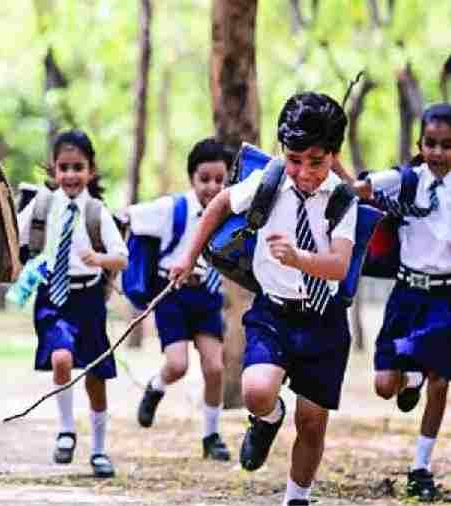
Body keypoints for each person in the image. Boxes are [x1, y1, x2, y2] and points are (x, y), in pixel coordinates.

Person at [170, 92, 355, 506]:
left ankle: (297, 497)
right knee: (256, 391)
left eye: (316, 162)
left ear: (333, 156)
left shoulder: (343, 199)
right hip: (274, 312)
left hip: (324, 321)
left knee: (312, 422)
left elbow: (339, 266)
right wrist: (188, 256)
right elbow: (219, 205)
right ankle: (269, 418)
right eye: (294, 159)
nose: (304, 172)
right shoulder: (268, 182)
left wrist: (299, 258)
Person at [335, 103, 451, 502]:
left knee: (441, 381)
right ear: (420, 144)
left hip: (444, 298)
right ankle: (411, 378)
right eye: (431, 143)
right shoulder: (405, 181)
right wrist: (334, 161)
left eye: (447, 145)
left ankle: (420, 467)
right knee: (386, 386)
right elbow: (359, 190)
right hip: (406, 296)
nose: (438, 152)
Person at [17, 129, 128, 478]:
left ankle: (98, 449)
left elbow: (122, 257)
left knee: (96, 375)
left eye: (78, 167)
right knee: (61, 357)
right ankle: (66, 430)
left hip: (88, 298)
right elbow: (14, 236)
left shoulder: (95, 212)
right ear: (53, 169)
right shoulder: (42, 205)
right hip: (52, 295)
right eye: (63, 167)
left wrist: (99, 258)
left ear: (90, 171)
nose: (70, 175)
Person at [128, 137, 232, 461]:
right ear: (191, 178)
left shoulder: (231, 211)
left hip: (207, 294)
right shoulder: (173, 208)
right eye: (205, 179)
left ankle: (211, 435)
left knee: (215, 367)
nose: (212, 187)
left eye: (220, 179)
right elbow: (130, 216)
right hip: (172, 294)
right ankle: (156, 386)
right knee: (178, 365)